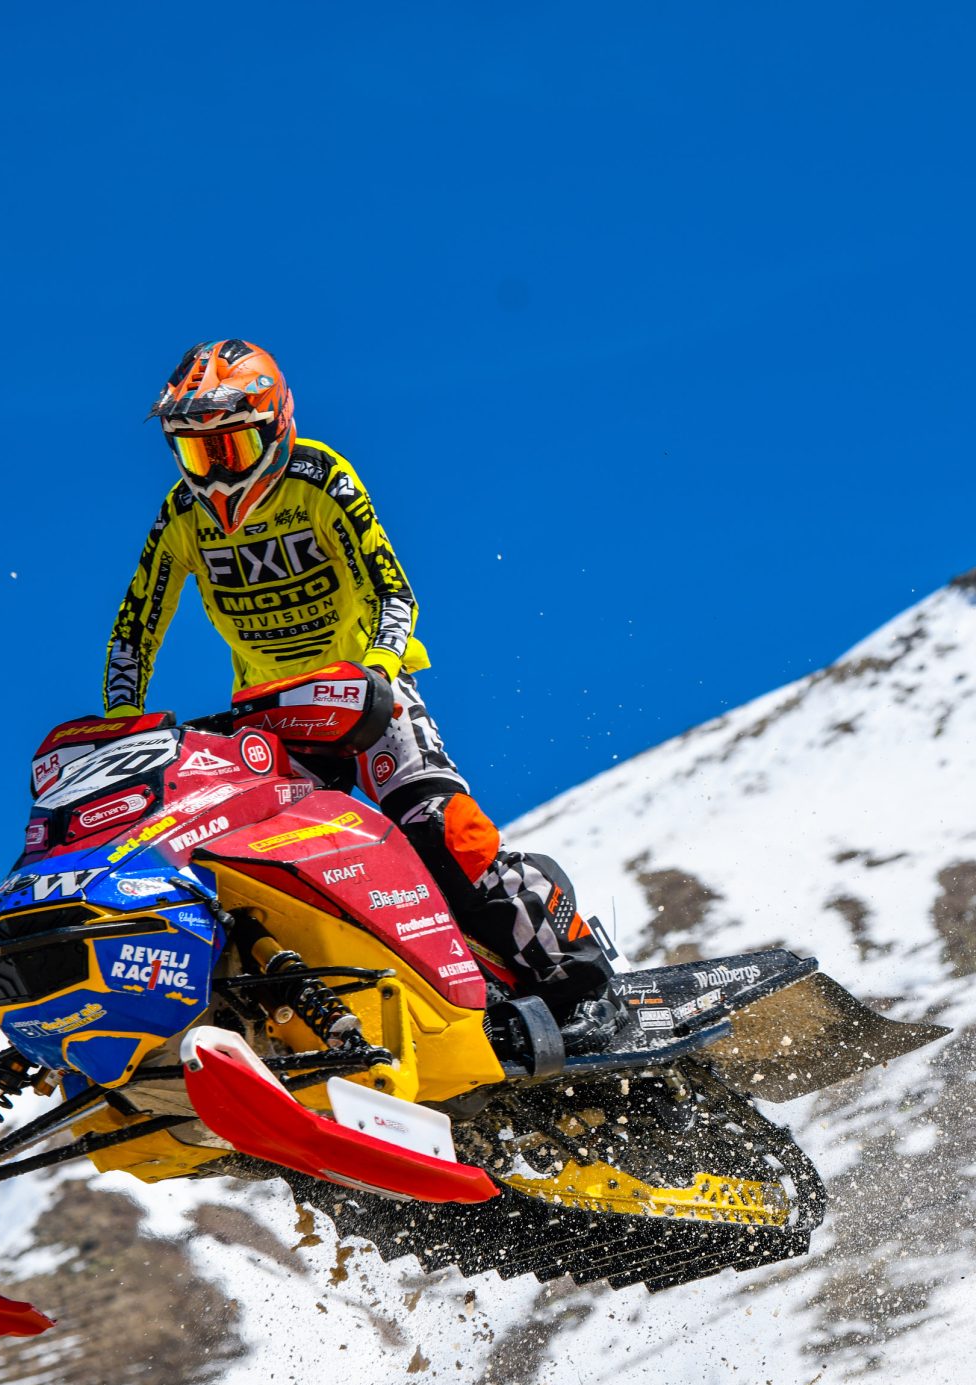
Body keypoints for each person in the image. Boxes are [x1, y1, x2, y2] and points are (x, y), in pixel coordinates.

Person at [102, 339, 616, 1047]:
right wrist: (123, 725)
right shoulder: (180, 515)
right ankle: (318, 1020)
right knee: (248, 864)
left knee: (440, 828)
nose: (216, 472)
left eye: (232, 447)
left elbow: (391, 591)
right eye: (198, 453)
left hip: (367, 694)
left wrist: (374, 670)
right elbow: (134, 630)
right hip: (270, 720)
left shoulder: (320, 478)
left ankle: (580, 979)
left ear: (276, 425)